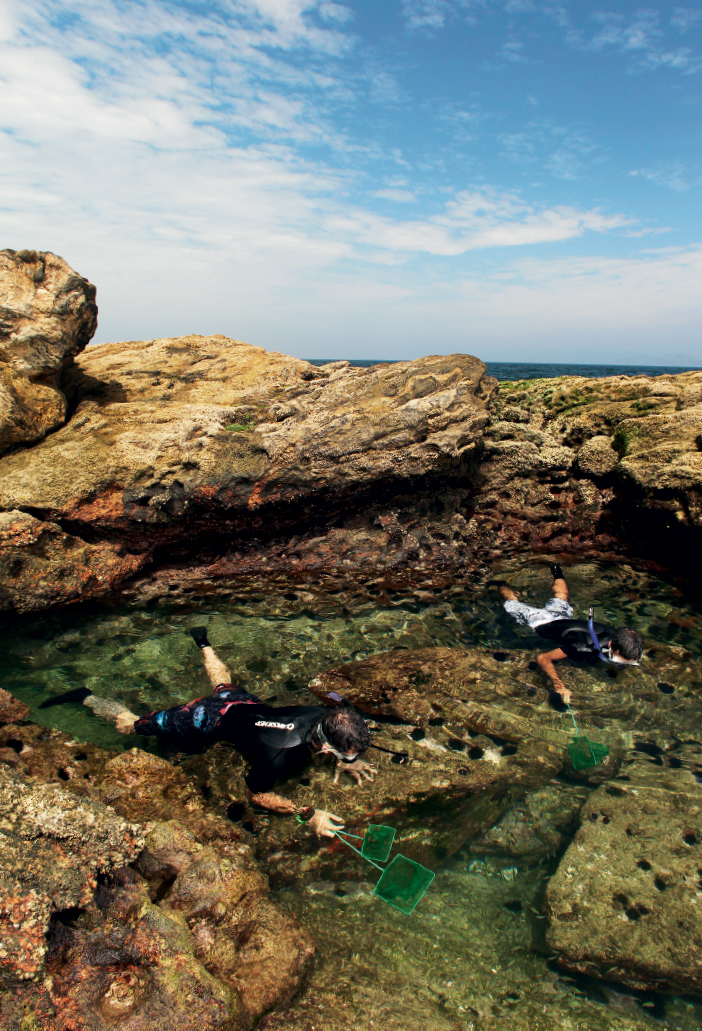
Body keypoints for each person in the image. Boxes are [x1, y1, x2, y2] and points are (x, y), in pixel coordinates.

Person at [97, 627, 376, 838]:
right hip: (207, 719)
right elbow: (255, 794)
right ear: (326, 748)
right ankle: (86, 698)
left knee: (223, 685)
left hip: (243, 703)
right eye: (346, 757)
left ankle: (202, 641)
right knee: (130, 726)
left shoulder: (331, 712)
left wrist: (348, 752)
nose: (350, 760)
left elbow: (332, 693)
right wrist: (306, 815)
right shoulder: (279, 756)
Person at [494, 564, 644, 704]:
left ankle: (556, 570)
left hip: (563, 617)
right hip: (540, 622)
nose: (628, 664)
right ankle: (499, 583)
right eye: (626, 661)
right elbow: (543, 658)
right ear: (614, 648)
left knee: (562, 595)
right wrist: (559, 685)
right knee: (512, 602)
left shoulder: (615, 634)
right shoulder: (582, 647)